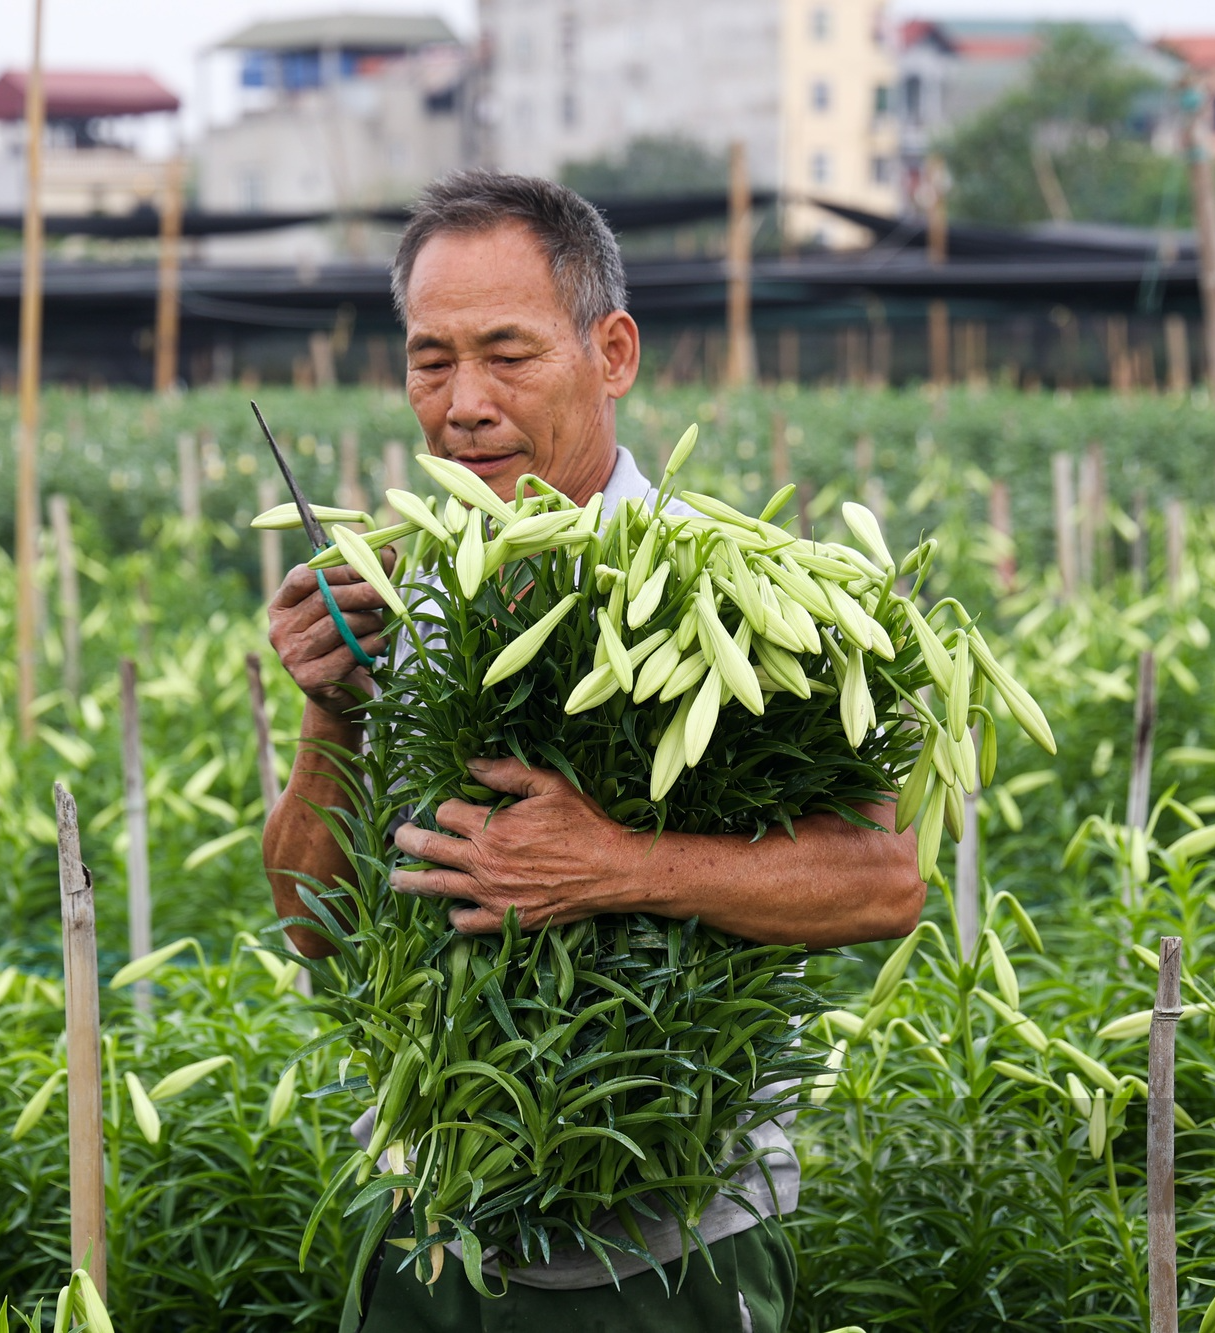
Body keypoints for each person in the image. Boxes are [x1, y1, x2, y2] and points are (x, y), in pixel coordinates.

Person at [261, 171, 925, 1333]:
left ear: (610, 352)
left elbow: (879, 880)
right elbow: (315, 928)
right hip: (423, 1241)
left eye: (506, 355)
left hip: (671, 1262)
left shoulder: (749, 599)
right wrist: (334, 710)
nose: (461, 404)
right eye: (429, 360)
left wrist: (618, 862)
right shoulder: (389, 591)